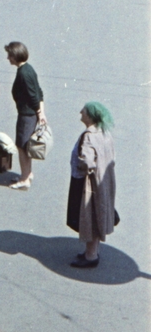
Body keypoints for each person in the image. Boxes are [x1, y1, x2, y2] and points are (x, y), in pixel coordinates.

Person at [67, 103, 117, 268]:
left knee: (88, 218)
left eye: (84, 110)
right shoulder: (104, 132)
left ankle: (90, 256)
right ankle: (93, 251)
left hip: (88, 183)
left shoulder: (89, 135)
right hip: (104, 182)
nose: (80, 112)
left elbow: (87, 162)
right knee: (98, 215)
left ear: (90, 116)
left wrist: (81, 164)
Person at [7, 41, 45, 190]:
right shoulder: (28, 69)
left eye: (10, 55)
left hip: (26, 115)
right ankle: (27, 173)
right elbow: (39, 91)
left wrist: (39, 112)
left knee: (22, 146)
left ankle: (24, 179)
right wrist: (41, 112)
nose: (8, 58)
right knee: (25, 145)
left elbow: (33, 95)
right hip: (30, 114)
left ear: (16, 56)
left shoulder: (24, 72)